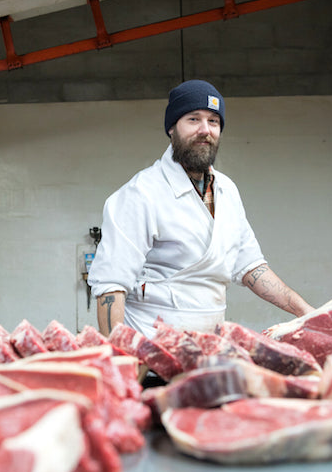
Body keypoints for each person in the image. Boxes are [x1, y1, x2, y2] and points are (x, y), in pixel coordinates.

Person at [87, 79, 314, 339]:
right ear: (172, 127)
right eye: (193, 119)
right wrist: (117, 354)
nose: (205, 130)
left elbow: (250, 266)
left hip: (208, 346)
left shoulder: (227, 191)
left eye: (213, 121)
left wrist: (307, 312)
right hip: (150, 348)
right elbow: (111, 286)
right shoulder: (141, 193)